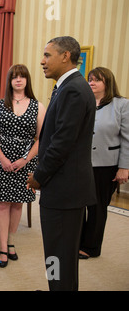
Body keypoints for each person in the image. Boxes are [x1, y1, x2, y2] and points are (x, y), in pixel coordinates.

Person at [26, 36, 96, 291]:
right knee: (59, 256)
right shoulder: (67, 87)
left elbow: (61, 143)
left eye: (47, 55)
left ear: (65, 56)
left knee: (59, 255)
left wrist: (39, 176)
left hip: (65, 190)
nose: (42, 61)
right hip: (64, 188)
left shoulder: (74, 89)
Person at [0, 64, 46, 268]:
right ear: (9, 81)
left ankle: (12, 242)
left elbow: (41, 138)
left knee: (18, 203)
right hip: (1, 161)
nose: (18, 80)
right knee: (2, 204)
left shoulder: (38, 107)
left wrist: (25, 159)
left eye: (22, 77)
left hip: (25, 162)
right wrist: (2, 158)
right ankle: (3, 247)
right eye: (14, 77)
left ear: (27, 80)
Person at [79, 67, 129, 259]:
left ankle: (91, 247)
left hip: (107, 165)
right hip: (82, 163)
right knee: (79, 205)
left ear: (107, 83)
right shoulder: (85, 102)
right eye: (90, 80)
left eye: (96, 80)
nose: (91, 83)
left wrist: (124, 167)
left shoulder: (122, 104)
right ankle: (78, 240)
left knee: (97, 207)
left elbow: (127, 139)